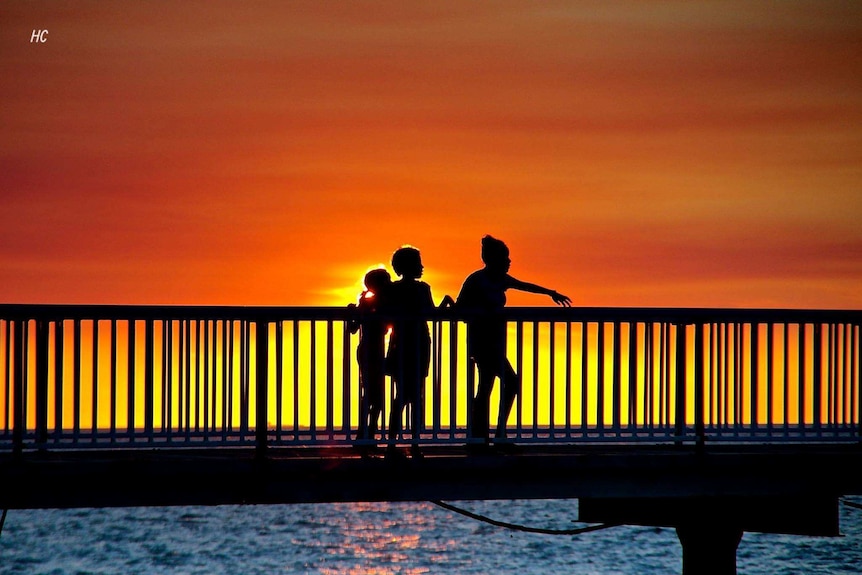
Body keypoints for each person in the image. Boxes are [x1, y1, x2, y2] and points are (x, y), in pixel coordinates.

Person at [455, 235, 571, 445]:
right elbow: (460, 307)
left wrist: (550, 293)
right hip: (481, 341)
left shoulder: (501, 279)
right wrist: (482, 311)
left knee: (489, 386)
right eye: (504, 258)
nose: (509, 262)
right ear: (491, 259)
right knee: (506, 382)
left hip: (496, 342)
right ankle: (487, 434)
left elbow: (525, 286)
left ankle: (486, 434)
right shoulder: (476, 279)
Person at [385, 246, 452, 457]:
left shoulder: (393, 290)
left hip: (399, 344)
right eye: (418, 263)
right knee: (415, 396)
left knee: (401, 396)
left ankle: (392, 444)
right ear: (410, 266)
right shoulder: (422, 289)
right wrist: (448, 301)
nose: (422, 267)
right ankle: (413, 445)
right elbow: (431, 313)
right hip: (418, 344)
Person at [347, 268, 392, 444]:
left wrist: (354, 312)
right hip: (370, 350)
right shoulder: (376, 304)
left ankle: (366, 433)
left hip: (371, 350)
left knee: (373, 394)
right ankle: (366, 433)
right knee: (373, 395)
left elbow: (352, 329)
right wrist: (355, 311)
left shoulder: (371, 303)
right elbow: (354, 328)